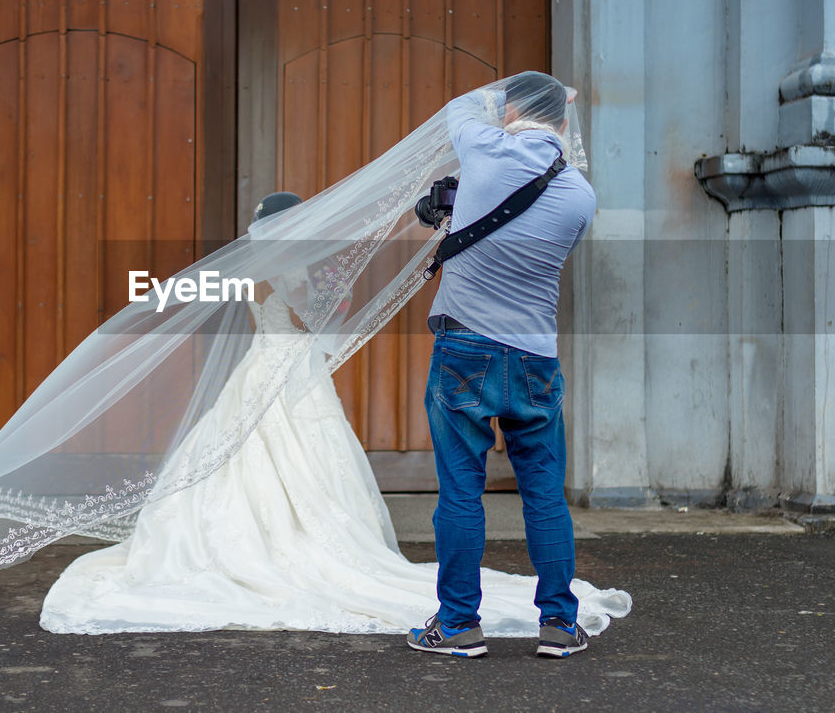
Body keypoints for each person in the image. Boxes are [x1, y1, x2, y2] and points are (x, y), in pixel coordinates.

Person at [39, 190, 629, 637]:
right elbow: (308, 320)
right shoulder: (292, 267)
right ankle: (547, 615)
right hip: (291, 374)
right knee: (301, 461)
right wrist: (335, 300)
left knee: (242, 456)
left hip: (268, 371)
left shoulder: (263, 264)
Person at [406, 71, 598, 659]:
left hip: (465, 350)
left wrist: (515, 87)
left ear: (510, 112)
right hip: (536, 356)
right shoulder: (579, 195)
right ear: (564, 125)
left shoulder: (484, 151)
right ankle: (560, 626)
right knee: (544, 493)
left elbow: (461, 104)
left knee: (460, 491)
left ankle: (459, 625)